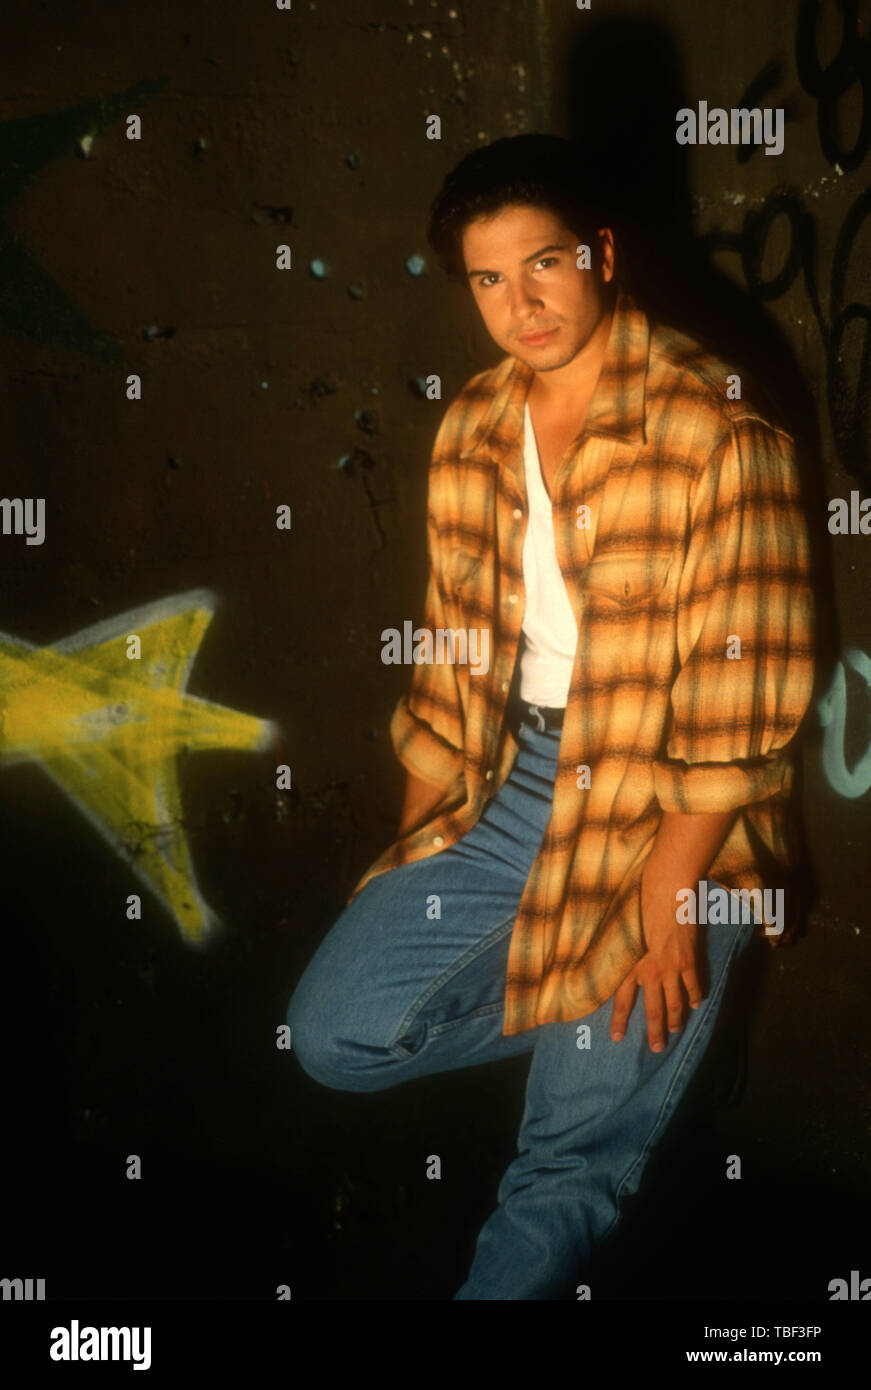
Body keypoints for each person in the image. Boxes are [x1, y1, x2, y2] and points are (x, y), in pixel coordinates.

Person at [287, 133, 816, 1299]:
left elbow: (739, 712)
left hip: (668, 815)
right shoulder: (472, 426)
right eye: (487, 280)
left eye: (544, 265)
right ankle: (630, 1037)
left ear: (603, 253)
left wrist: (664, 911)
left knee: (567, 1160)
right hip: (518, 778)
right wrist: (412, 848)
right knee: (335, 1032)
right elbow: (450, 657)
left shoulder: (718, 427)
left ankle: (642, 1045)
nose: (519, 304)